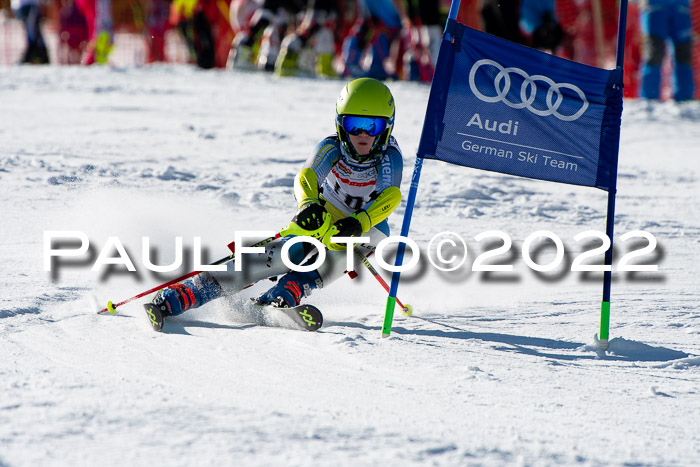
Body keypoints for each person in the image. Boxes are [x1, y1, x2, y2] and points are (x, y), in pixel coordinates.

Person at [145, 78, 404, 330]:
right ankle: (190, 291)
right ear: (340, 124)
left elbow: (389, 197)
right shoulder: (331, 147)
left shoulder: (389, 157)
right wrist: (308, 204)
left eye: (373, 126)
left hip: (367, 224)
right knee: (287, 252)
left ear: (387, 127)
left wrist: (360, 222)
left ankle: (288, 291)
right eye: (354, 124)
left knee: (340, 253)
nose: (362, 134)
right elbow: (306, 176)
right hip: (324, 212)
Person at [640, 0, 695, 102]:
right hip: (655, 6)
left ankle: (684, 98)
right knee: (655, 53)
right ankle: (649, 99)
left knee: (684, 55)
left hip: (681, 6)